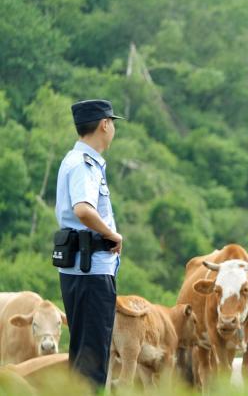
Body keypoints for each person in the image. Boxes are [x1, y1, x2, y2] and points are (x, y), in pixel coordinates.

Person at [55, 99, 124, 388]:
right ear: (105, 124)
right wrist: (112, 234)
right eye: (112, 123)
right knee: (93, 360)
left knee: (82, 354)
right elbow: (83, 209)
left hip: (79, 269)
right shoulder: (84, 164)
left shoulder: (74, 160)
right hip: (91, 271)